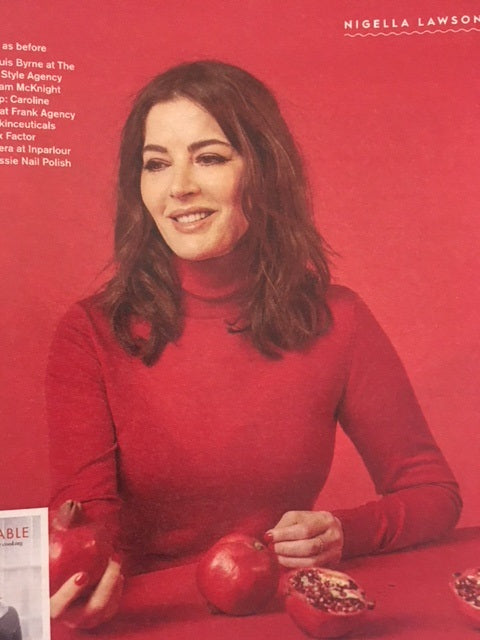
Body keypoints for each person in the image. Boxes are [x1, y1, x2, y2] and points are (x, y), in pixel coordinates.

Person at [46, 60, 462, 628]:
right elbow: (86, 525)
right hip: (150, 617)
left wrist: (344, 532)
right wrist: (82, 586)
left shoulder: (340, 320)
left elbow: (433, 492)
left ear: (264, 171)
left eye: (210, 157)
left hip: (280, 613)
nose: (179, 187)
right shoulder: (89, 333)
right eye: (156, 163)